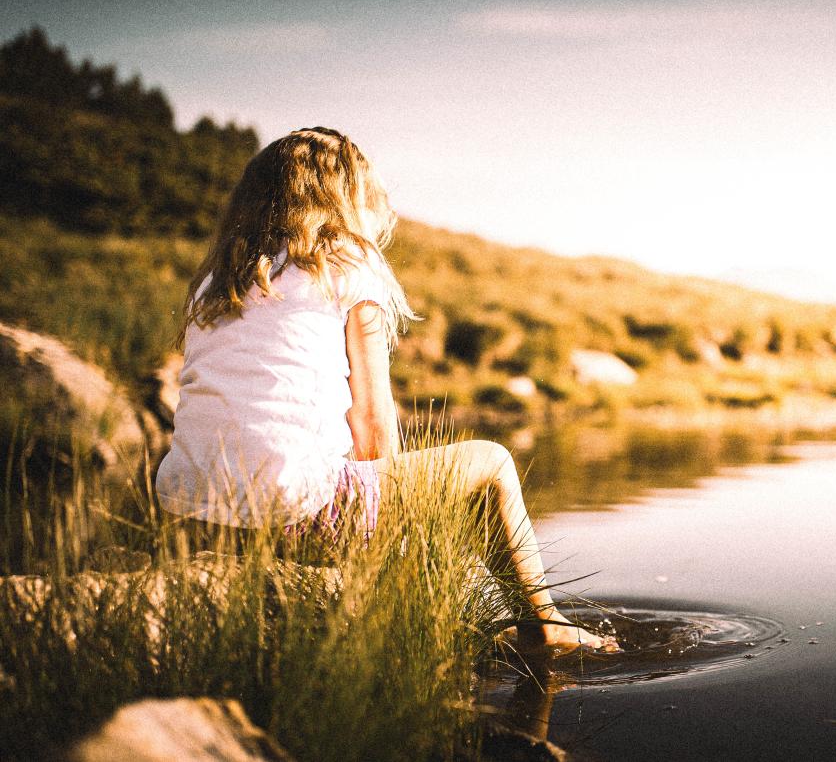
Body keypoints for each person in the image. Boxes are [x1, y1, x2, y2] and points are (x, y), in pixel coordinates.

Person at [155, 127, 612, 653]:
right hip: (293, 515)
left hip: (190, 516)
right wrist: (394, 534)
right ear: (349, 199)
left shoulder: (217, 280)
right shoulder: (346, 262)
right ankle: (546, 623)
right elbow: (371, 420)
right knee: (493, 462)